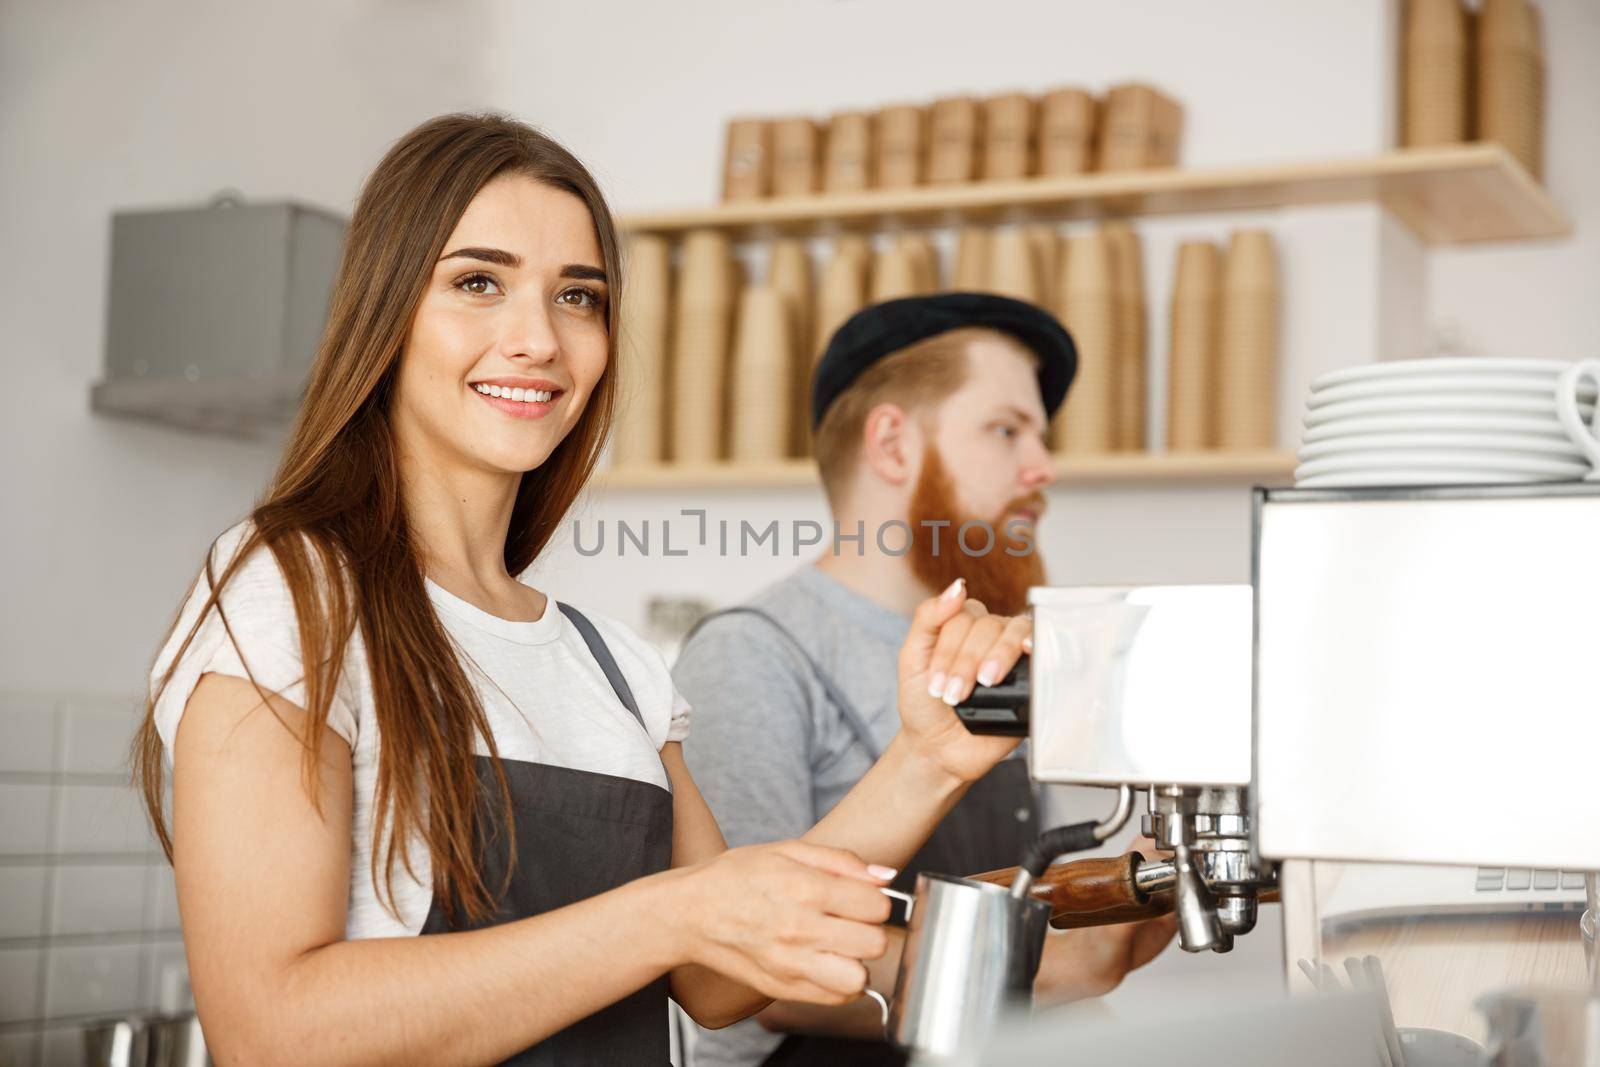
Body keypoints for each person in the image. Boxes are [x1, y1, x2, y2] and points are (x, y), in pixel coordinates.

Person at [130, 114, 1036, 1066]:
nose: (538, 339)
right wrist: (668, 913)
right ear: (385, 313)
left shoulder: (612, 665)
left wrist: (929, 760)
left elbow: (724, 978)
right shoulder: (292, 591)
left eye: (578, 297)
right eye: (478, 282)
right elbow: (270, 1032)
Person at [676, 294, 1178, 1066]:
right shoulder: (752, 656)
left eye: (1040, 437)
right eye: (1007, 430)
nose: (1043, 468)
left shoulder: (994, 653)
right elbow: (749, 978)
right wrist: (1049, 974)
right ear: (892, 443)